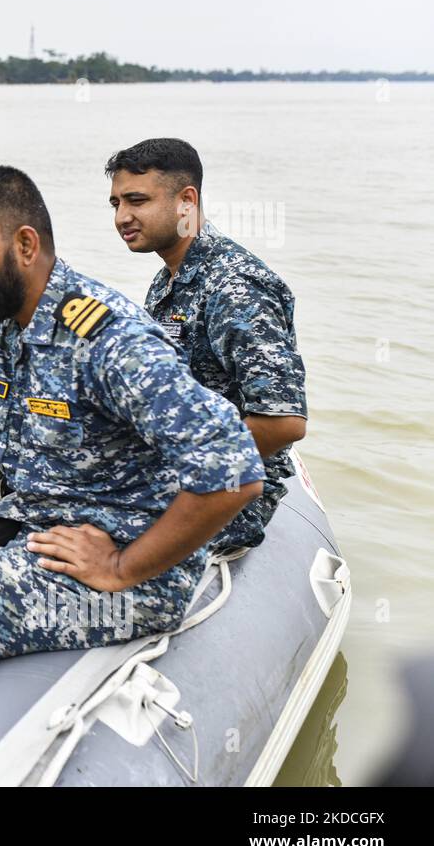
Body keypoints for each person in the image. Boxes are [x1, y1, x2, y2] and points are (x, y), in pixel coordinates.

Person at [0, 165, 266, 757]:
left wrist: (125, 566)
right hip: (30, 524)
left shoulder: (106, 338)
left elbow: (233, 471)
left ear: (25, 245)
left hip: (113, 561)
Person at [106, 138, 308, 548]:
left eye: (137, 201)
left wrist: (179, 467)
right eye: (116, 204)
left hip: (230, 487)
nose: (122, 217)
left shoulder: (234, 286)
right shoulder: (169, 279)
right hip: (173, 465)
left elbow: (283, 422)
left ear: (186, 200)